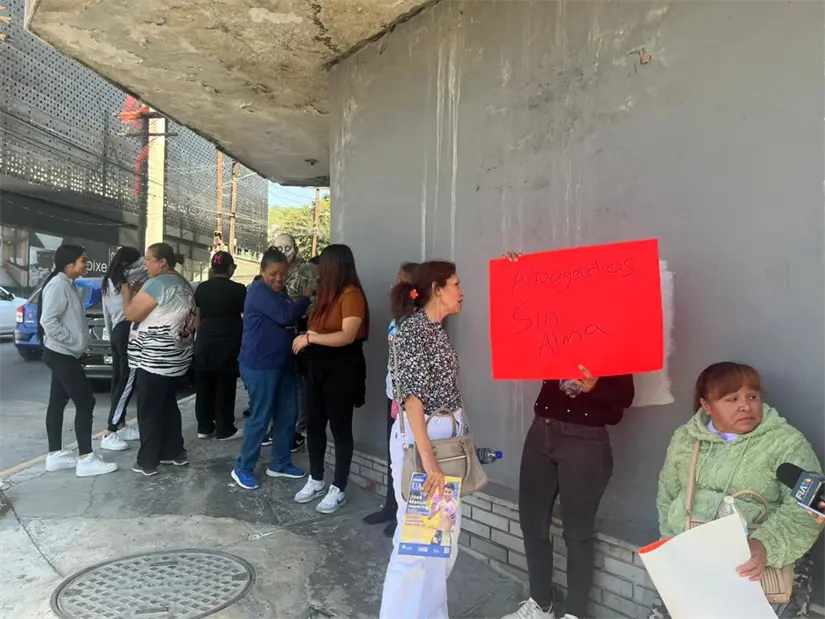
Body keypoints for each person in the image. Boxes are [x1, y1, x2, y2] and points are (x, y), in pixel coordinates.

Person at [501, 251, 634, 619]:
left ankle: (575, 612)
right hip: (541, 432)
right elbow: (527, 306)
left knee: (576, 532)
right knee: (532, 522)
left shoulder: (615, 340)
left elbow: (624, 402)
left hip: (585, 442)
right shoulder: (555, 326)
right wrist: (519, 270)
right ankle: (541, 603)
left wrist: (594, 386)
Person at [647, 362, 822, 619]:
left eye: (752, 396)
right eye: (731, 399)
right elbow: (668, 494)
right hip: (694, 569)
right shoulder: (686, 439)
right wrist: (673, 548)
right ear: (706, 405)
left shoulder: (786, 443)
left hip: (757, 575)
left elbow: (806, 510)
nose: (745, 405)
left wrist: (763, 546)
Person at [379, 260, 465, 619]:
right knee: (416, 542)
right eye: (457, 284)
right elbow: (411, 401)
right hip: (425, 445)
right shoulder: (414, 330)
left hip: (440, 443)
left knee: (440, 538)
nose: (462, 292)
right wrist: (429, 464)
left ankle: (431, 613)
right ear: (437, 288)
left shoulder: (435, 329)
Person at [292, 244, 368, 514]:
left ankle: (339, 487)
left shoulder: (352, 295)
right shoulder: (326, 295)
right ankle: (316, 478)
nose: (318, 271)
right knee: (314, 425)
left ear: (334, 266)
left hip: (342, 370)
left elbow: (347, 335)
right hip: (317, 369)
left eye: (322, 265)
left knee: (340, 429)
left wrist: (310, 338)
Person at [231, 248, 311, 490]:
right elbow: (286, 316)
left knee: (288, 414)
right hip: (260, 365)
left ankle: (280, 463)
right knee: (261, 416)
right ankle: (242, 467)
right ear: (262, 272)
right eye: (273, 274)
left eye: (283, 274)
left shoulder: (280, 293)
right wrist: (306, 298)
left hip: (283, 364)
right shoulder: (259, 292)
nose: (279, 279)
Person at [40, 244, 118, 477]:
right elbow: (48, 321)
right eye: (83, 260)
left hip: (63, 353)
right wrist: (73, 342)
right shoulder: (58, 286)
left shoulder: (67, 284)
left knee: (58, 401)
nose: (87, 264)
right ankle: (86, 458)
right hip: (61, 353)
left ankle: (55, 455)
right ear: (69, 264)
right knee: (86, 402)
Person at [123, 243, 196, 476]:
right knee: (167, 405)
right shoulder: (183, 284)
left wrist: (127, 295)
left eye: (148, 260)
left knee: (149, 409)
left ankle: (147, 461)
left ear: (162, 261)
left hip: (154, 358)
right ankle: (174, 452)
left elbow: (131, 314)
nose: (146, 264)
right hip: (175, 357)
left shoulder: (157, 283)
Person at [363, 261, 420, 537]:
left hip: (409, 402)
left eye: (399, 280)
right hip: (392, 395)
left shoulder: (418, 319)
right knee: (393, 457)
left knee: (408, 459)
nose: (392, 285)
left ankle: (404, 514)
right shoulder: (398, 316)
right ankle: (390, 505)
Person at [271, 234, 319, 452]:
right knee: (281, 380)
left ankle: (299, 429)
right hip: (277, 330)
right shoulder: (273, 268)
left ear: (296, 248)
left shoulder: (306, 269)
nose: (283, 251)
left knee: (298, 383)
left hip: (299, 328)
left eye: (287, 247)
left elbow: (312, 299)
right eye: (278, 247)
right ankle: (282, 425)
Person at [194, 251, 246, 441]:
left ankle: (204, 427)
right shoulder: (239, 290)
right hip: (229, 342)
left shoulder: (201, 288)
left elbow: (197, 320)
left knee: (204, 386)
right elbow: (247, 317)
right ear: (230, 268)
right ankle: (225, 429)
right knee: (225, 386)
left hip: (205, 341)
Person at [100, 246, 146, 452]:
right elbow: (147, 267)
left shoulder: (109, 279)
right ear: (131, 263)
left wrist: (112, 336)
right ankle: (110, 431)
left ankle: (120, 424)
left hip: (118, 330)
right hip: (127, 330)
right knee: (127, 380)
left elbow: (106, 312)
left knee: (118, 379)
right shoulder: (130, 276)